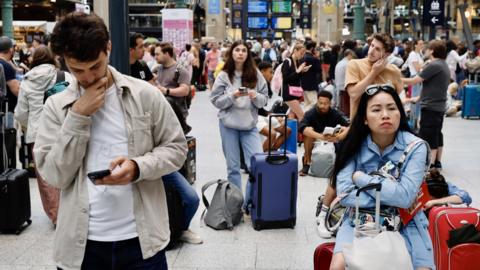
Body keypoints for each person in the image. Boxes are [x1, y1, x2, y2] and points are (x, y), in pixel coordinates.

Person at [34, 12, 187, 269]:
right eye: (77, 70)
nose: (89, 77)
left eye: (95, 66)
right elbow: (54, 175)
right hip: (81, 247)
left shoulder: (145, 95)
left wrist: (138, 167)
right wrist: (78, 116)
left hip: (142, 242)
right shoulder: (56, 107)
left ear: (109, 47)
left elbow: (176, 148)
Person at [329, 84, 434, 270]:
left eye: (392, 108)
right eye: (376, 110)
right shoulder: (352, 144)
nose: (385, 114)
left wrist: (361, 178)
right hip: (359, 219)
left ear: (400, 113)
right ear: (365, 119)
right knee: (338, 265)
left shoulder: (416, 147)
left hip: (407, 222)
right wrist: (391, 194)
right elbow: (345, 195)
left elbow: (405, 198)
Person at [129, 43, 202, 245]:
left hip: (160, 160)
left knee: (190, 198)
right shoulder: (153, 74)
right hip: (140, 163)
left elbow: (175, 145)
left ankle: (180, 229)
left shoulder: (157, 77)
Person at [14, 47, 73, 227]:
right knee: (68, 169)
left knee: (45, 176)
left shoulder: (27, 80)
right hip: (62, 129)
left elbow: (21, 113)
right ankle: (70, 211)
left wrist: (28, 123)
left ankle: (56, 215)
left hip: (37, 133)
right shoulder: (64, 76)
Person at [210, 40, 268, 209]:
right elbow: (215, 100)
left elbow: (264, 99)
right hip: (228, 126)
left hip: (249, 127)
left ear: (248, 54)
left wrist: (254, 96)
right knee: (233, 167)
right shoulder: (224, 75)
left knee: (256, 165)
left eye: (244, 50)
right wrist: (232, 96)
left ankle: (249, 203)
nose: (241, 53)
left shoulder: (256, 75)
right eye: (237, 50)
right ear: (232, 53)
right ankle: (236, 204)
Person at [402, 40, 450, 170]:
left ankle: (429, 165)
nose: (425, 50)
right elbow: (434, 86)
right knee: (437, 134)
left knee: (428, 136)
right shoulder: (443, 64)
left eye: (428, 48)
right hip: (438, 107)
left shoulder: (434, 65)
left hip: (431, 107)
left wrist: (395, 78)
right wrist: (417, 98)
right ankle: (437, 162)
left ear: (432, 51)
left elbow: (414, 81)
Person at [345, 33, 403, 120]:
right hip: (360, 125)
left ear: (386, 54)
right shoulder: (354, 64)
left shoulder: (394, 71)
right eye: (372, 45)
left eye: (377, 49)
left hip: (384, 124)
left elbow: (396, 100)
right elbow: (353, 94)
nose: (371, 51)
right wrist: (374, 72)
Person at [298, 90, 349, 177]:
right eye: (320, 103)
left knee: (345, 131)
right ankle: (307, 163)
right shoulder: (310, 113)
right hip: (315, 139)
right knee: (308, 130)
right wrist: (321, 136)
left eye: (326, 103)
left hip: (332, 139)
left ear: (330, 103)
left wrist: (339, 133)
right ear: (317, 102)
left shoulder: (335, 114)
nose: (323, 106)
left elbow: (349, 126)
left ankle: (340, 165)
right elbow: (301, 128)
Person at [155, 42, 191, 125]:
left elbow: (185, 90)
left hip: (176, 113)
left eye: (157, 54)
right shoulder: (159, 68)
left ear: (166, 54)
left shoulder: (179, 70)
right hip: (162, 111)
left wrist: (166, 91)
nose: (155, 57)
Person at [281, 43, 310, 121]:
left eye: (304, 53)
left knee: (292, 116)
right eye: (301, 53)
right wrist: (298, 71)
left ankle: (290, 132)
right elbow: (286, 79)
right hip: (288, 93)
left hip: (294, 92)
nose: (302, 55)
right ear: (295, 51)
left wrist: (302, 71)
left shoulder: (296, 62)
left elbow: (295, 78)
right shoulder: (287, 61)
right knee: (301, 115)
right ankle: (304, 131)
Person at [0, 36, 20, 127]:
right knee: (8, 137)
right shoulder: (6, 67)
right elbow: (16, 91)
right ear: (11, 50)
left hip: (2, 108)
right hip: (7, 109)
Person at [335, 49, 356, 115]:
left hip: (339, 85)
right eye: (352, 56)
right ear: (349, 55)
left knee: (342, 105)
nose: (353, 58)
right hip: (345, 87)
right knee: (346, 107)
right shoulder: (347, 64)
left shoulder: (340, 62)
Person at [301, 40, 321, 110]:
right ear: (312, 48)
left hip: (303, 83)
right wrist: (317, 58)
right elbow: (319, 70)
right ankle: (304, 117)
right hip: (311, 84)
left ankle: (304, 118)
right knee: (314, 103)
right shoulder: (312, 59)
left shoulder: (302, 57)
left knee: (307, 103)